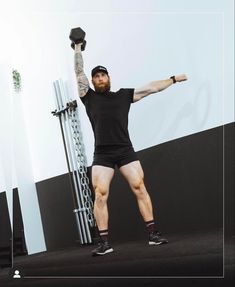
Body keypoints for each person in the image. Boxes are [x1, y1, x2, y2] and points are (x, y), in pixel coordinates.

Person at [74, 42, 187, 256]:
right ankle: (104, 243)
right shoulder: (88, 98)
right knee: (100, 194)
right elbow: (79, 72)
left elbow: (151, 88)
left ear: (109, 79)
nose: (99, 79)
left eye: (103, 76)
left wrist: (172, 79)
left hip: (125, 150)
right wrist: (77, 49)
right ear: (93, 81)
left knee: (139, 187)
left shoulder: (123, 96)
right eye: (96, 76)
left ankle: (153, 234)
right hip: (102, 154)